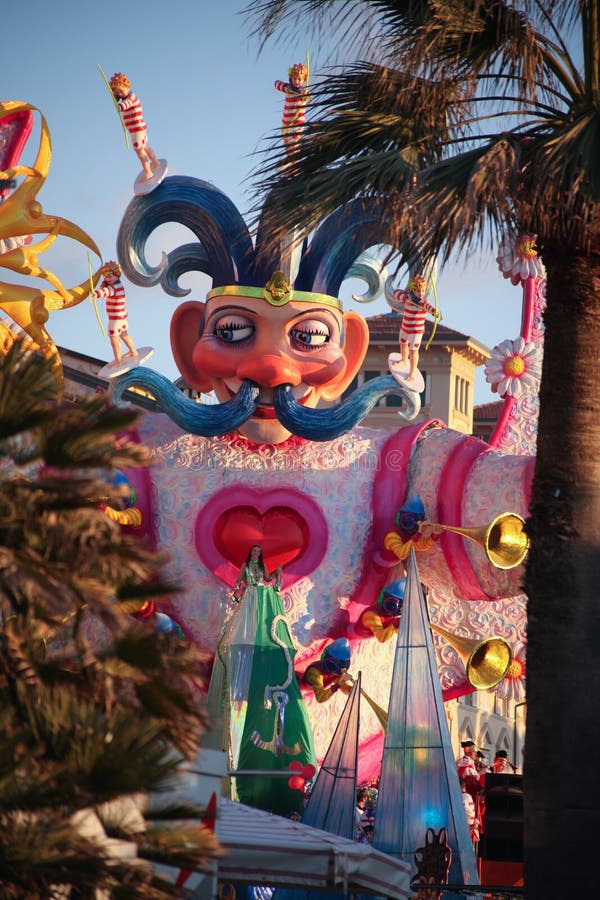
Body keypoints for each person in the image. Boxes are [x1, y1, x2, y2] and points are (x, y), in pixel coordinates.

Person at [207, 545, 316, 816]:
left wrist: (277, 575)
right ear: (249, 555)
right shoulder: (247, 570)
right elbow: (237, 588)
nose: (256, 555)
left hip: (263, 617)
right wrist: (241, 593)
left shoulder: (262, 573)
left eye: (258, 552)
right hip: (249, 610)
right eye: (253, 552)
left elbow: (270, 583)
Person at [387, 274, 441, 386]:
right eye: (417, 290)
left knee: (413, 351)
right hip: (405, 327)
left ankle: (411, 372)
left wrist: (434, 311)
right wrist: (406, 299)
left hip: (416, 331)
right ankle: (403, 359)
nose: (420, 293)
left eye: (422, 290)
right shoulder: (408, 297)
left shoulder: (422, 302)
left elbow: (428, 307)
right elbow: (396, 292)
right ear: (412, 290)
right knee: (402, 343)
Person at [109, 72, 160, 181]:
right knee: (145, 147)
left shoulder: (132, 98)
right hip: (136, 129)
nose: (120, 94)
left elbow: (126, 104)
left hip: (137, 130)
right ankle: (155, 163)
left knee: (139, 151)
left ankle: (148, 172)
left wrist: (120, 106)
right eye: (117, 92)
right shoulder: (125, 98)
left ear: (127, 87)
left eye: (121, 91)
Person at [94, 260, 137, 366]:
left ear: (116, 274)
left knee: (114, 339)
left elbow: (107, 291)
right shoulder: (117, 284)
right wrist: (103, 284)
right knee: (124, 335)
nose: (107, 278)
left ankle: (118, 360)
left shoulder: (115, 287)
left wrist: (97, 294)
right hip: (121, 317)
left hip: (115, 320)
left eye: (109, 275)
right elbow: (106, 287)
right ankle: (133, 351)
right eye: (104, 276)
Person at [303, 638, 354, 703]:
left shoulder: (336, 673)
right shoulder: (315, 672)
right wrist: (338, 685)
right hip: (301, 689)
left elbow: (343, 686)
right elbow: (320, 698)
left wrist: (350, 689)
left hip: (312, 690)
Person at [274, 63, 310, 155]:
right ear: (291, 78)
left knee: (295, 146)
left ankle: (295, 164)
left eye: (299, 79)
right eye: (295, 79)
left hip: (297, 124)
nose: (297, 81)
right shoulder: (288, 88)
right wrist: (286, 87)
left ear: (303, 80)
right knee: (288, 148)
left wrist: (304, 95)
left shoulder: (303, 92)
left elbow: (307, 97)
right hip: (286, 123)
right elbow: (276, 83)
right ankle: (290, 164)